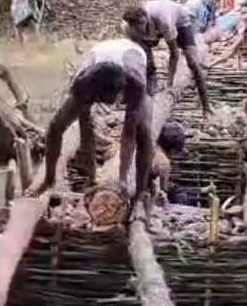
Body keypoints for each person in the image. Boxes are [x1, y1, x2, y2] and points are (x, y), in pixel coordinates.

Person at [26, 26, 154, 215]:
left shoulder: (136, 82)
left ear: (120, 91)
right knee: (68, 121)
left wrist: (121, 179)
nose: (105, 104)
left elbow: (128, 135)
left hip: (132, 57)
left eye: (107, 100)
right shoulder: (82, 83)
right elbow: (56, 128)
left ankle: (140, 193)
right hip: (94, 62)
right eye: (98, 100)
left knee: (143, 132)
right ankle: (63, 178)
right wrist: (49, 177)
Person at [136, 0, 214, 116]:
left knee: (193, 62)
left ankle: (206, 106)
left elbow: (174, 53)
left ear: (146, 19)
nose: (140, 28)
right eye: (137, 26)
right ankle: (149, 97)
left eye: (142, 24)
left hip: (179, 19)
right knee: (146, 59)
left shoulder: (164, 22)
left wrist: (169, 84)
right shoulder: (130, 27)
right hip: (155, 24)